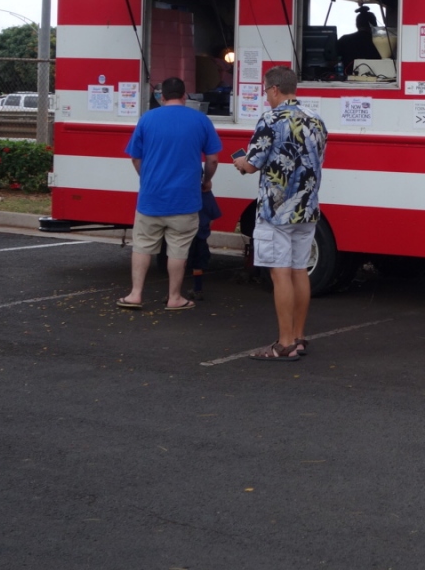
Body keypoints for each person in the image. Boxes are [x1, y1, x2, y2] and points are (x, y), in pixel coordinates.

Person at [233, 66, 328, 361]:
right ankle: (298, 337)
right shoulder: (316, 119)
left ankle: (284, 344)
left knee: (280, 273)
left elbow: (253, 164)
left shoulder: (271, 119)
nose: (266, 96)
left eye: (266, 91)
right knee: (299, 270)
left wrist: (240, 162)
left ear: (275, 89)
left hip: (276, 211)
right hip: (307, 208)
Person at [119, 77, 222, 310]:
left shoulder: (147, 119)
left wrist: (146, 179)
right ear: (185, 96)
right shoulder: (200, 120)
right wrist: (206, 181)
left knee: (142, 246)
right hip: (185, 199)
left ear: (162, 97)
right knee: (179, 249)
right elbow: (213, 159)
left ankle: (135, 294)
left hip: (151, 198)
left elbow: (135, 157)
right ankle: (175, 297)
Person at [337, 5, 382, 76]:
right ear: (374, 24)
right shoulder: (381, 42)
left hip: (347, 78)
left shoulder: (344, 39)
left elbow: (333, 59)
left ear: (357, 24)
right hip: (377, 77)